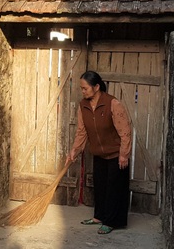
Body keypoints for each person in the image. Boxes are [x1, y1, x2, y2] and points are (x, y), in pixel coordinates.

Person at [65, 70, 132, 234]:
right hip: (98, 154)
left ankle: (111, 221)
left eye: (85, 88)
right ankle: (99, 217)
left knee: (113, 189)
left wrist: (124, 154)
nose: (82, 91)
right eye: (81, 88)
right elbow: (82, 131)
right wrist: (75, 150)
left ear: (96, 87)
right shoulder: (83, 106)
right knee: (100, 187)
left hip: (116, 154)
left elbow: (125, 131)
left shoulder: (112, 103)